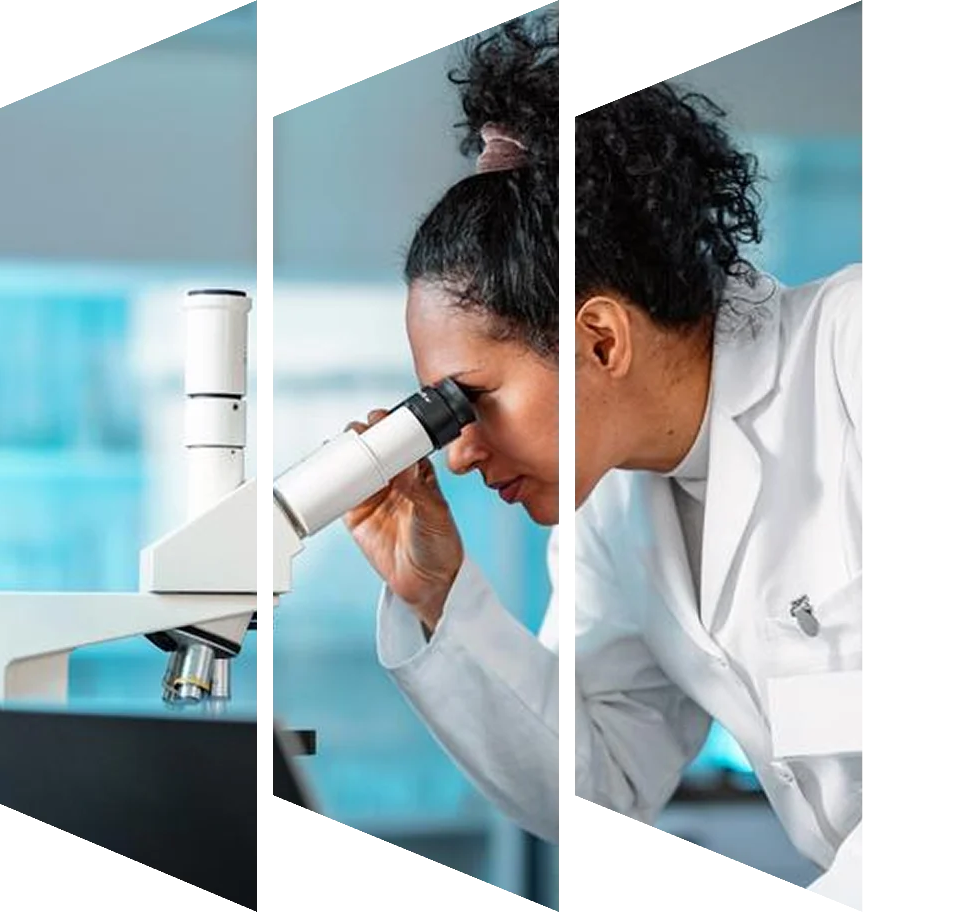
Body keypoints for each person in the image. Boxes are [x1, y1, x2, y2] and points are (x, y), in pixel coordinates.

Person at [344, 10, 863, 911]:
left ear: (600, 338)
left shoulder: (851, 356)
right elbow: (603, 773)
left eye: (472, 398)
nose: (459, 454)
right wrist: (440, 600)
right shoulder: (610, 500)